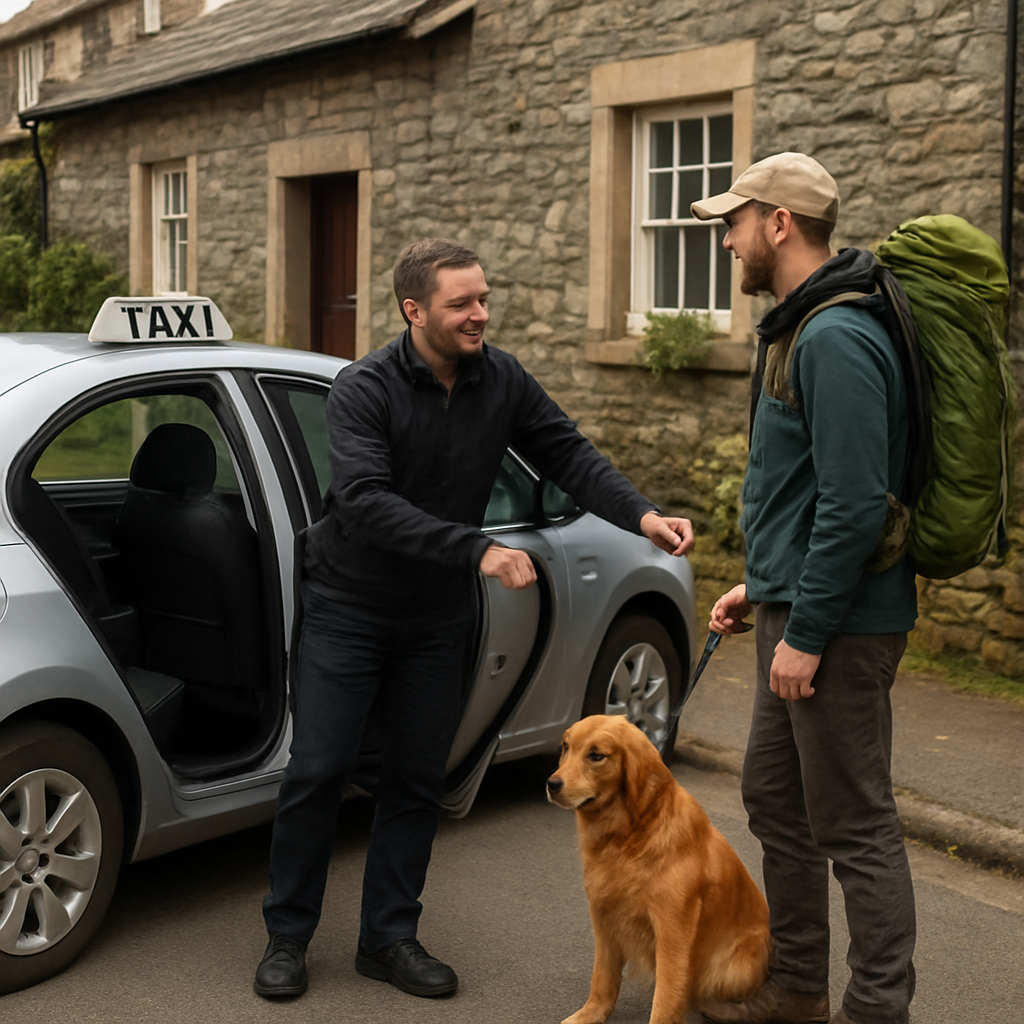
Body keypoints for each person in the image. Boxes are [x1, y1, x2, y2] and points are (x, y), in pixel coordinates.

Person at [254, 237, 694, 1001]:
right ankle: (287, 935)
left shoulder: (502, 379)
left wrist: (643, 515)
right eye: (462, 303)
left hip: (436, 616)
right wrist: (478, 550)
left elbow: (568, 455)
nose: (479, 314)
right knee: (319, 770)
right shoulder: (365, 388)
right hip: (350, 607)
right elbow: (363, 501)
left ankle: (389, 936)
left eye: (484, 299)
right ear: (414, 309)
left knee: (417, 776)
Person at [693, 154, 918, 1024]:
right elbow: (806, 489)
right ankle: (796, 989)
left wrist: (810, 631)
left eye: (735, 221)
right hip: (797, 606)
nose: (727, 238)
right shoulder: (801, 326)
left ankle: (875, 1010)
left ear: (778, 224)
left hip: (841, 627)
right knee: (775, 800)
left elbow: (858, 501)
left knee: (856, 825)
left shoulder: (835, 335)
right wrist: (761, 587)